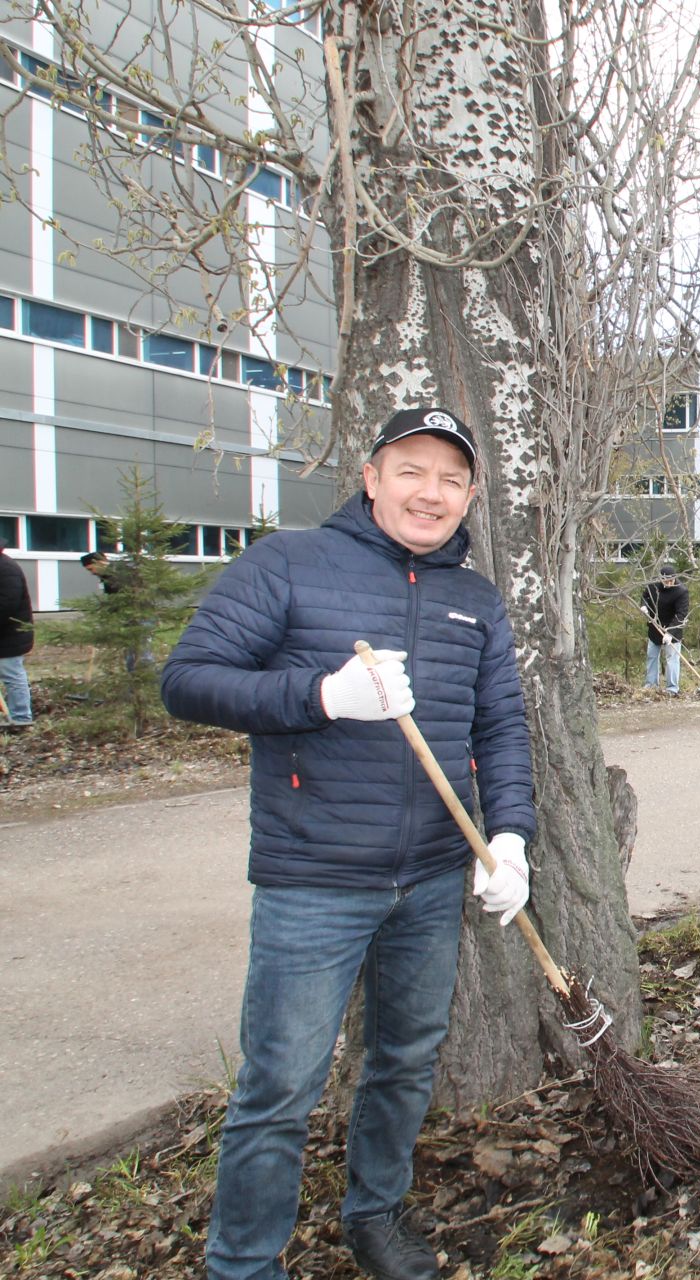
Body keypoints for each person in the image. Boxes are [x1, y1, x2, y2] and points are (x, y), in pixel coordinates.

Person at [161, 407, 536, 1280]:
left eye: (451, 479)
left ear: (470, 496)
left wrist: (511, 838)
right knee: (281, 1085)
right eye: (411, 471)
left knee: (404, 1061)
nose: (430, 493)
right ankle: (243, 1263)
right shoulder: (289, 564)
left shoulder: (475, 601)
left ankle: (374, 1217)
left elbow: (501, 728)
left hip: (432, 879)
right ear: (371, 479)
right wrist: (322, 697)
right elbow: (188, 680)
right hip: (313, 880)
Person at [81, 550, 152, 671]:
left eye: (91, 569)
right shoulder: (106, 576)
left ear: (99, 563)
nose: (92, 573)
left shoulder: (120, 573)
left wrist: (111, 610)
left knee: (140, 649)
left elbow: (124, 596)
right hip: (128, 615)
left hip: (141, 613)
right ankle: (133, 677)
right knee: (131, 650)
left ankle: (147, 676)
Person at [641, 561, 689, 696]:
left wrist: (670, 633)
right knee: (652, 656)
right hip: (655, 627)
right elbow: (645, 596)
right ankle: (651, 685)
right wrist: (644, 606)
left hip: (673, 630)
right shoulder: (653, 586)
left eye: (671, 580)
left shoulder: (681, 591)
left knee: (672, 659)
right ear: (661, 579)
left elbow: (681, 614)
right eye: (666, 581)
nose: (669, 583)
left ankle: (672, 688)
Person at [0, 541, 32, 730]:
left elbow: (6, 605)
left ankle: (21, 718)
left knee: (12, 675)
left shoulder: (6, 568)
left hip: (9, 635)